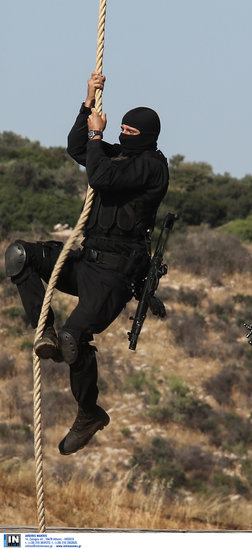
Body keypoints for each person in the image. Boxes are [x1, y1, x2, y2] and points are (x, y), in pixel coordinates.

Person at [3, 72, 169, 455]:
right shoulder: (119, 155)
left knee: (73, 340)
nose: (122, 134)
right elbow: (78, 147)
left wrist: (98, 138)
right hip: (85, 260)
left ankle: (88, 413)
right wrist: (88, 102)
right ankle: (42, 330)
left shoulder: (152, 168)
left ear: (144, 136)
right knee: (20, 255)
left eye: (129, 130)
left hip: (115, 275)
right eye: (120, 129)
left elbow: (101, 174)